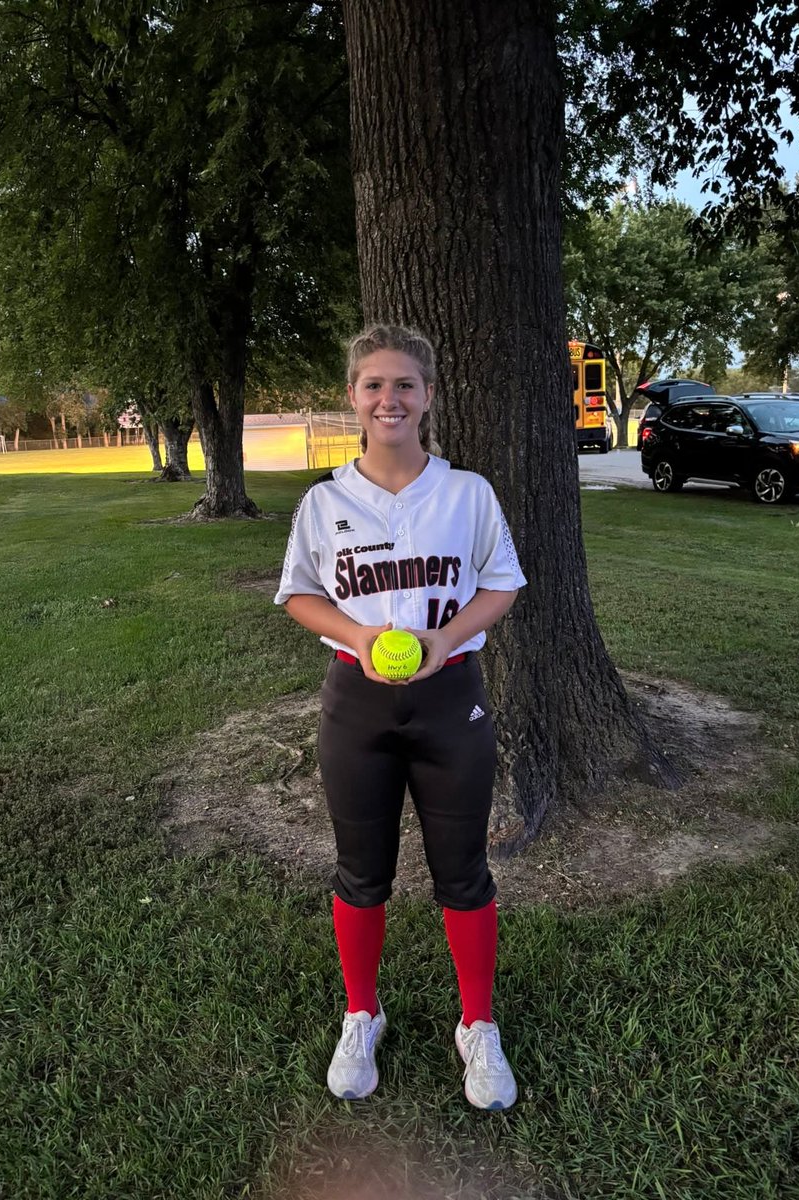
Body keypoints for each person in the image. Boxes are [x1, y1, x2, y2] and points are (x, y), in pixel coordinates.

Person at [274, 324, 526, 1110]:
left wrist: (443, 638)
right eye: (374, 384)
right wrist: (359, 634)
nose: (391, 398)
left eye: (406, 384)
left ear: (428, 397)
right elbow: (299, 593)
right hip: (356, 701)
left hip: (451, 693)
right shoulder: (325, 501)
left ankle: (476, 1026)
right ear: (352, 397)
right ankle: (362, 1013)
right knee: (361, 871)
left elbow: (502, 584)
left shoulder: (467, 492)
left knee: (464, 873)